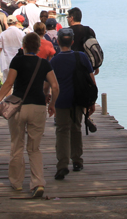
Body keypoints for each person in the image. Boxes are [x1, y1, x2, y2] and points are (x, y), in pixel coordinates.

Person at [0, 32, 59, 198]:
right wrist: (52, 104)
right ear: (38, 47)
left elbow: (9, 83)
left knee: (17, 145)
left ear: (23, 46)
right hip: (38, 107)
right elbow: (55, 86)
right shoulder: (44, 63)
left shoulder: (17, 61)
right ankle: (38, 183)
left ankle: (16, 182)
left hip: (18, 107)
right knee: (34, 148)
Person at [49, 28, 95, 179]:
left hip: (61, 100)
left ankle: (62, 164)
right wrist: (92, 101)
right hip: (78, 99)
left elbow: (49, 84)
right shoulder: (81, 56)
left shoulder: (54, 61)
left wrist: (49, 100)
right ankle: (77, 160)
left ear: (58, 41)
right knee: (76, 128)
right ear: (73, 42)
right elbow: (91, 79)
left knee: (62, 131)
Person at [0, 15, 25, 81]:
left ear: (7, 23)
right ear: (16, 22)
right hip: (19, 59)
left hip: (6, 60)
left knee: (7, 80)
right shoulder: (21, 33)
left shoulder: (3, 34)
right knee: (18, 80)